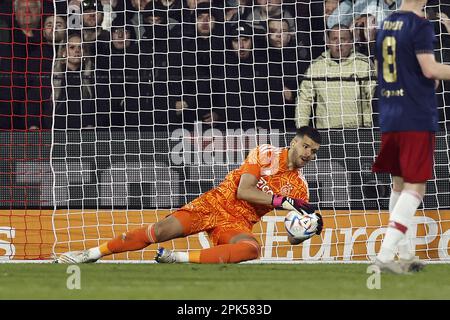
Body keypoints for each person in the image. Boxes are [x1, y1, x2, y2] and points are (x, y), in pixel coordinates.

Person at [56, 126, 324, 264]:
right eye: (305, 146)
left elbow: (291, 239)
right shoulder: (265, 152)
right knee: (159, 231)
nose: (308, 154)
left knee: (251, 249)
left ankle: (178, 259)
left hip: (237, 223)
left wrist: (305, 230)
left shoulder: (300, 188)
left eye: (313, 152)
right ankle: (90, 253)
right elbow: (244, 190)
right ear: (293, 142)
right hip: (213, 203)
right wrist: (282, 202)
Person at [371, 0, 450, 274]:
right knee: (416, 188)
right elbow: (430, 69)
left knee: (399, 184)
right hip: (415, 114)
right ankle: (383, 256)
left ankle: (404, 255)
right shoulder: (421, 24)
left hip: (390, 114)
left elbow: (401, 69)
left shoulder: (385, 24)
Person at [295, 24, 375, 129]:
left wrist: (370, 127)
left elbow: (373, 97)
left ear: (351, 42)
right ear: (328, 42)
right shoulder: (316, 66)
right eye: (334, 39)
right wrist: (302, 129)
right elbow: (304, 100)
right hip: (326, 132)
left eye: (343, 39)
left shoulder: (364, 64)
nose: (339, 43)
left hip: (359, 131)